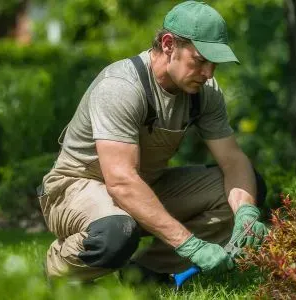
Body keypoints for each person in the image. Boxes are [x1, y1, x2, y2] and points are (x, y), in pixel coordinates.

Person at [39, 0, 268, 283]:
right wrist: (190, 244)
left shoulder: (205, 91)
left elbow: (232, 160)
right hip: (75, 187)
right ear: (169, 44)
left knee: (247, 186)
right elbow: (121, 181)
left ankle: (148, 273)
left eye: (214, 64)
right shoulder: (121, 87)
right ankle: (59, 269)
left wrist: (246, 211)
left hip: (144, 184)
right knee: (117, 233)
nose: (209, 73)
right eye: (200, 61)